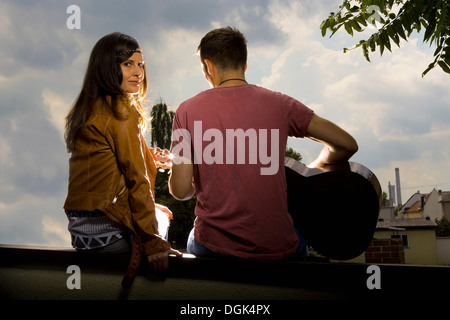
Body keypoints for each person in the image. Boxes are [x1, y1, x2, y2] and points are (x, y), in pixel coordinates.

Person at [168, 27, 358, 260]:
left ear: (208, 67)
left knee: (192, 238)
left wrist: (201, 175)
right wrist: (314, 169)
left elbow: (179, 191)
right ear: (244, 65)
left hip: (215, 247)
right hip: (278, 249)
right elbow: (347, 144)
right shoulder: (281, 104)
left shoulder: (186, 110)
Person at [63, 32, 181, 287]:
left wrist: (143, 153)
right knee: (161, 218)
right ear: (107, 67)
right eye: (128, 64)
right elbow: (137, 179)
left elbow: (100, 161)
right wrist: (152, 240)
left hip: (82, 233)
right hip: (108, 234)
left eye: (141, 64)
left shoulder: (88, 107)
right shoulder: (121, 110)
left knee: (155, 210)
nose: (138, 72)